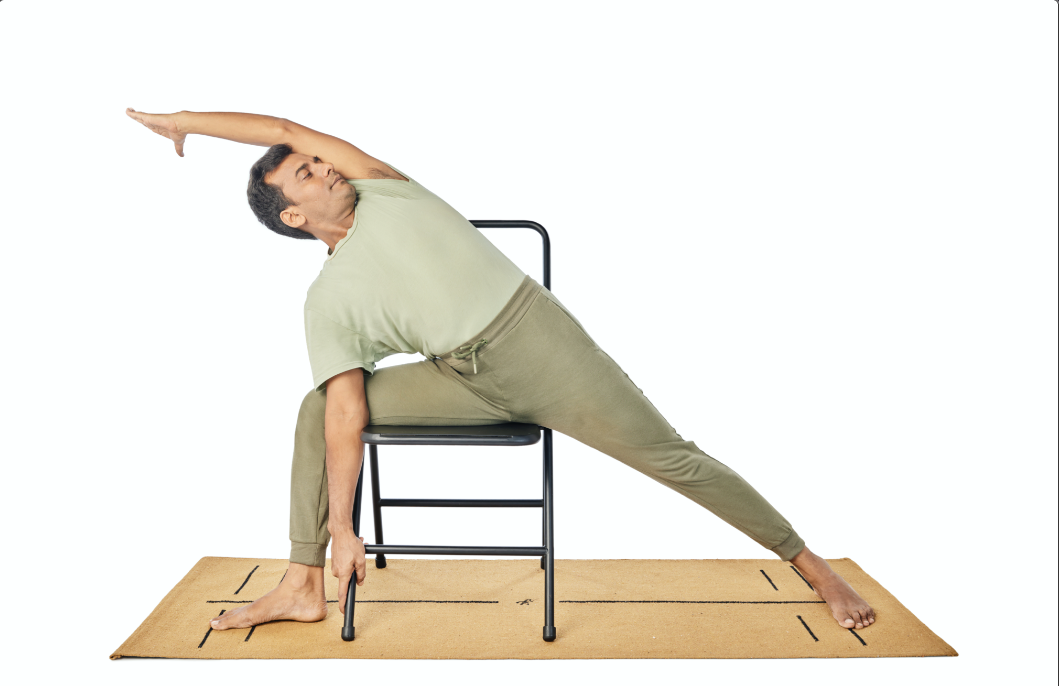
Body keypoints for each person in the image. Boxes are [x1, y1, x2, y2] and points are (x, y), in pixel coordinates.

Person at [126, 108, 877, 633]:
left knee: (673, 457)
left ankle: (810, 565)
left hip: (546, 355)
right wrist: (343, 530)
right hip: (464, 380)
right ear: (293, 216)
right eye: (307, 174)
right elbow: (345, 410)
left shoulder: (386, 188)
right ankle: (302, 582)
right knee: (313, 407)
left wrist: (186, 122)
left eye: (319, 161)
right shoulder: (328, 301)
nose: (323, 166)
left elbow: (285, 129)